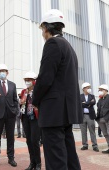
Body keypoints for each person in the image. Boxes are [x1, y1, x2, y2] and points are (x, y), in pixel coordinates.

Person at [32, 9, 83, 170]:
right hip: (66, 112)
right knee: (68, 155)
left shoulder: (52, 44)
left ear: (46, 27)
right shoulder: (68, 46)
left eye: (42, 30)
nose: (42, 34)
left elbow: (45, 78)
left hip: (53, 112)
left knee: (55, 159)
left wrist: (35, 100)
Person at [20, 71, 41, 170]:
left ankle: (38, 164)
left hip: (35, 118)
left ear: (34, 81)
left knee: (34, 141)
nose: (27, 82)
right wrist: (21, 102)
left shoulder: (38, 90)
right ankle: (32, 163)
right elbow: (21, 103)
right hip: (25, 118)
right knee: (28, 140)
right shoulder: (24, 91)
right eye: (26, 80)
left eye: (29, 80)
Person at [79, 82, 99, 152]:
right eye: (88, 87)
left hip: (90, 116)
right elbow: (79, 104)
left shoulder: (92, 96)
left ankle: (95, 145)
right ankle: (85, 145)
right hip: (82, 116)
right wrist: (88, 104)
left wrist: (84, 103)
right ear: (84, 89)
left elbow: (93, 103)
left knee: (92, 131)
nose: (89, 89)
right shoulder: (80, 96)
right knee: (83, 131)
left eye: (89, 87)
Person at [96, 84, 109, 154]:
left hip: (107, 119)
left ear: (105, 90)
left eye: (101, 90)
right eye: (99, 90)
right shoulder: (100, 99)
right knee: (105, 134)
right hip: (100, 119)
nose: (99, 91)